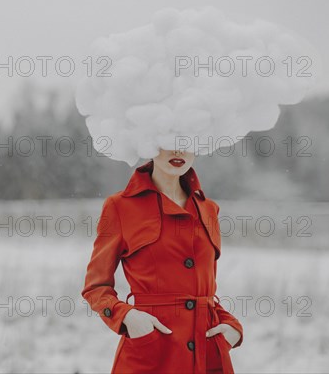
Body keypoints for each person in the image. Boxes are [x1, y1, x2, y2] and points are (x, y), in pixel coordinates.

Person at [81, 148, 243, 374]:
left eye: (186, 141)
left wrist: (233, 328)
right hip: (151, 355)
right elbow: (95, 288)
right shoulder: (120, 207)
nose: (178, 150)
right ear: (149, 142)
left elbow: (204, 289)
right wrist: (127, 316)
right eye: (168, 140)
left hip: (206, 358)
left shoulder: (209, 209)